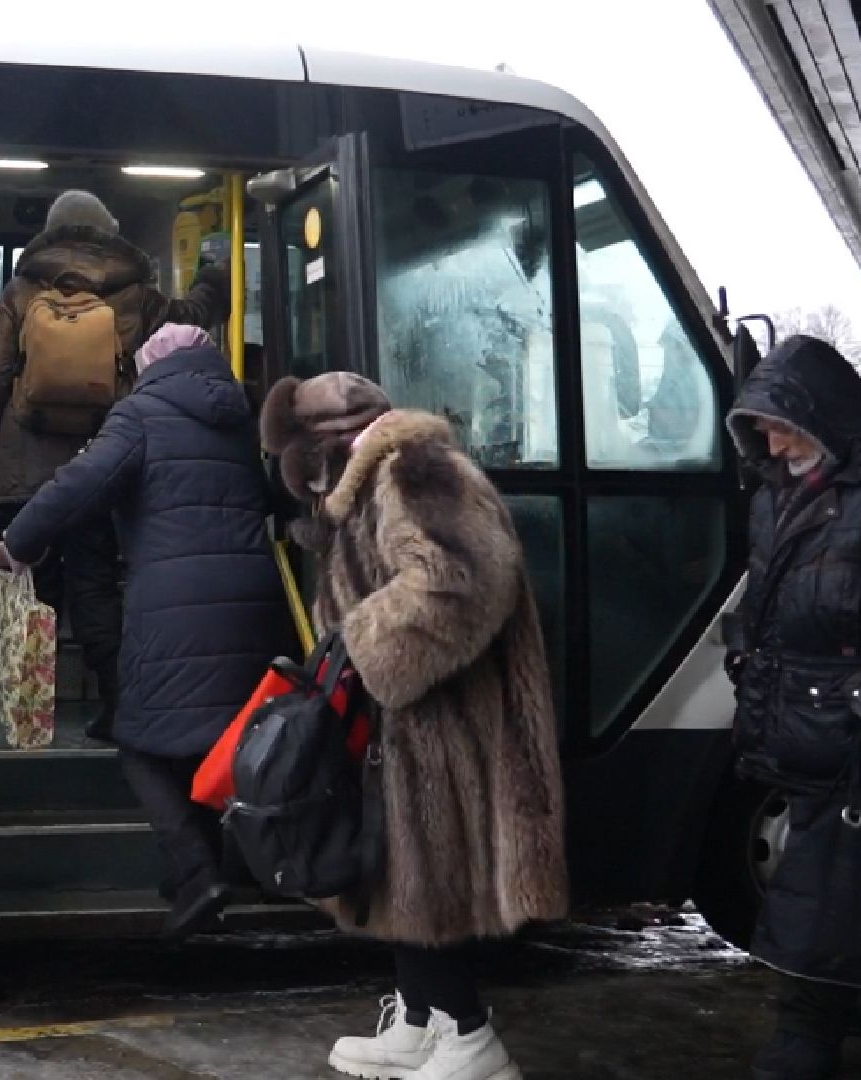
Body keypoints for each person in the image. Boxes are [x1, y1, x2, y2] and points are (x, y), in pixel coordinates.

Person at [262, 371, 567, 1080]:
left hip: (446, 724)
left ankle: (469, 1039)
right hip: (411, 721)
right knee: (401, 872)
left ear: (327, 447)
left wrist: (365, 645)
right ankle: (422, 1018)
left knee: (431, 875)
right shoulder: (379, 478)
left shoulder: (412, 470)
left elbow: (459, 579)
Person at [0, 324, 289, 938]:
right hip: (254, 601)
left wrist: (19, 543)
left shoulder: (141, 414)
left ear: (150, 366)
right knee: (215, 737)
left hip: (176, 605)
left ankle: (196, 873)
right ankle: (227, 867)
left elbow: (79, 484)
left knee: (141, 741)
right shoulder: (239, 417)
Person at [723, 335, 861, 1080]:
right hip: (810, 733)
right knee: (828, 896)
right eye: (761, 430)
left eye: (782, 427)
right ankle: (845, 1024)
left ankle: (811, 1038)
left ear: (823, 416)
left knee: (831, 898)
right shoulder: (775, 495)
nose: (773, 445)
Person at [0, 190, 229, 742]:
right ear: (108, 230)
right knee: (96, 586)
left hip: (25, 468)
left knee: (30, 587)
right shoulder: (135, 293)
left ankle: (30, 712)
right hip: (104, 462)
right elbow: (192, 321)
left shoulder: (23, 289)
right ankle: (118, 706)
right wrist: (214, 278)